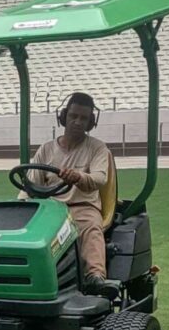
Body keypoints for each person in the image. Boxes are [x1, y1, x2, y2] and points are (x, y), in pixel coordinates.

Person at [20, 91, 116, 298]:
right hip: (51, 209)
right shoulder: (46, 150)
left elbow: (100, 179)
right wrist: (18, 207)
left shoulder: (97, 148)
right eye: (73, 116)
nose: (77, 122)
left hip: (81, 207)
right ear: (64, 117)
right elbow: (30, 184)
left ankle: (95, 275)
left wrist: (78, 177)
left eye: (83, 118)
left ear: (91, 122)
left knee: (91, 227)